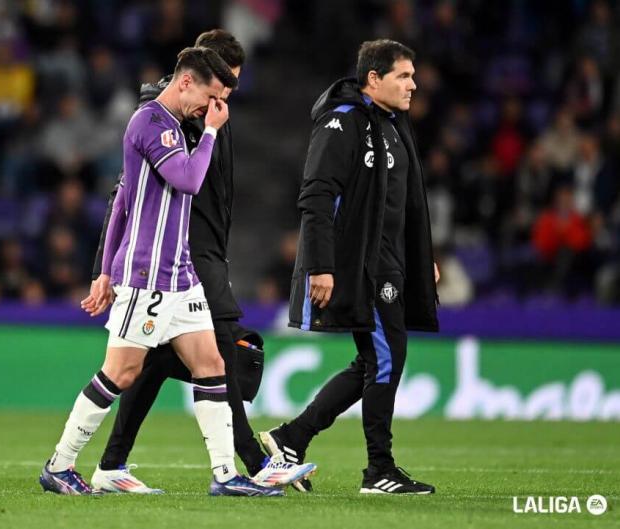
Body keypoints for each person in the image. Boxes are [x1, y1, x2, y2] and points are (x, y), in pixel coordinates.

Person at [39, 46, 282, 497]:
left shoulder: (174, 126)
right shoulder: (151, 123)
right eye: (208, 97)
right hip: (148, 272)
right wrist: (210, 133)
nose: (210, 109)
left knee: (212, 366)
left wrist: (104, 269)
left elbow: (126, 199)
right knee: (121, 373)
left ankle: (226, 475)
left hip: (181, 272)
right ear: (186, 81)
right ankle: (60, 463)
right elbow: (186, 180)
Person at [259, 39, 440, 495]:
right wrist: (321, 264)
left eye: (413, 75)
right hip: (361, 266)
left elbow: (403, 204)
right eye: (403, 75)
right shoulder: (343, 124)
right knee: (384, 360)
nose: (413, 84)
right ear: (373, 78)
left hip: (392, 264)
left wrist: (422, 259)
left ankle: (291, 437)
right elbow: (317, 196)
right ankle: (379, 469)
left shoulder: (394, 126)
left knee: (376, 360)